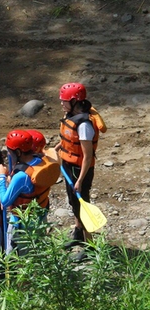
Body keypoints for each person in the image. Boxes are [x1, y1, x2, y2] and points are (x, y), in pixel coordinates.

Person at [55, 82, 105, 245]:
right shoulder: (71, 115)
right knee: (74, 202)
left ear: (75, 101)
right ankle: (78, 234)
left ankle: (89, 244)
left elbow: (87, 156)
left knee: (83, 206)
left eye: (64, 101)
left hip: (80, 170)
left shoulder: (84, 125)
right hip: (69, 165)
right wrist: (58, 147)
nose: (62, 103)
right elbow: (69, 139)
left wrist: (80, 180)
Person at [0, 129, 61, 254]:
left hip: (23, 224)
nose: (8, 154)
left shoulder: (22, 176)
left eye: (10, 151)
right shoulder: (42, 160)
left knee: (17, 256)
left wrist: (1, 177)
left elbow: (4, 201)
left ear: (19, 152)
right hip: (40, 217)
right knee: (36, 253)